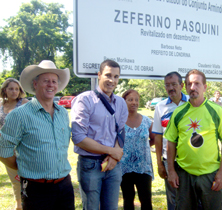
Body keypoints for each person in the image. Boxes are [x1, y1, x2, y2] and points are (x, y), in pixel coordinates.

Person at [0, 60, 74, 210]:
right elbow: (3, 149)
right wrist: (23, 166)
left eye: (54, 81)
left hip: (65, 185)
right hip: (36, 190)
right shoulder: (19, 115)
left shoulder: (63, 114)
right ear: (35, 84)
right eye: (45, 81)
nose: (51, 85)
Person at [165, 69, 222, 210]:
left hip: (210, 175)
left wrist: (221, 173)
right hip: (184, 175)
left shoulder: (217, 111)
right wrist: (171, 171)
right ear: (185, 87)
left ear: (205, 87)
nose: (193, 87)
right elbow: (171, 143)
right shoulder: (178, 112)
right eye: (189, 84)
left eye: (197, 83)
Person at [71, 59, 128, 210]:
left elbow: (121, 131)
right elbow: (78, 138)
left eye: (116, 77)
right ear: (99, 75)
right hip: (91, 165)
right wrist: (112, 151)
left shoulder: (121, 103)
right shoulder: (84, 100)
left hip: (113, 165)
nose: (112, 80)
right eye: (108, 75)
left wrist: (114, 157)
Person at [152, 71, 188, 210]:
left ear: (181, 85)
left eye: (174, 84)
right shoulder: (160, 107)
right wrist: (160, 164)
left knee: (192, 198)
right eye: (167, 85)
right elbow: (158, 136)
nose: (170, 88)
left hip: (191, 160)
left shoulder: (192, 102)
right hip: (169, 160)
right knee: (173, 200)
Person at [120, 89, 155, 210]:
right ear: (124, 101)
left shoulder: (146, 121)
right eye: (130, 100)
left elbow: (154, 138)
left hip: (143, 167)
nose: (134, 102)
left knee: (146, 200)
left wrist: (143, 147)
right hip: (125, 167)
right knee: (128, 200)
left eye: (136, 100)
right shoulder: (119, 121)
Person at [0, 78, 28, 210]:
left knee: (24, 177)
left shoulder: (24, 103)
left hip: (22, 146)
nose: (14, 91)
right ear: (5, 90)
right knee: (14, 178)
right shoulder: (1, 105)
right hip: (6, 148)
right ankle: (18, 205)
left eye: (17, 89)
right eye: (11, 89)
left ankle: (27, 202)